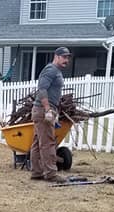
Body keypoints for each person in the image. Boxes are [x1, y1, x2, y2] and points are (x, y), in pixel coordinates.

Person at [30, 47, 72, 183]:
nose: (66, 60)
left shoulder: (56, 71)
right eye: (64, 57)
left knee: (38, 143)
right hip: (43, 110)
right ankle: (51, 174)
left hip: (43, 110)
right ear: (56, 56)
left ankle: (37, 172)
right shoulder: (51, 70)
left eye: (68, 57)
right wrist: (48, 109)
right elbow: (42, 89)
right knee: (48, 143)